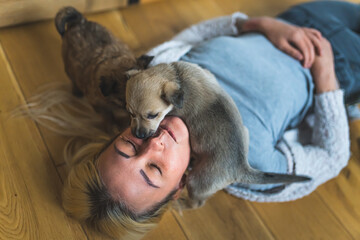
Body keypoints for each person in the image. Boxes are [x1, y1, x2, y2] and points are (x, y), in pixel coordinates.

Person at [23, 1, 357, 239]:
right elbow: (331, 157)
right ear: (179, 187)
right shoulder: (239, 159)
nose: (153, 141)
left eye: (130, 144)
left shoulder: (151, 93)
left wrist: (258, 24)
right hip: (337, 68)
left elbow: (191, 39)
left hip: (297, 20)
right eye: (154, 169)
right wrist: (327, 74)